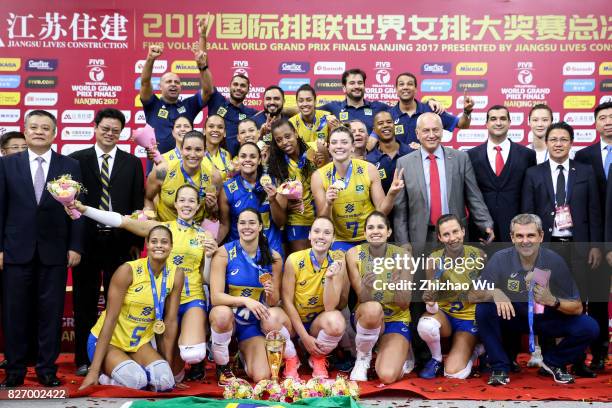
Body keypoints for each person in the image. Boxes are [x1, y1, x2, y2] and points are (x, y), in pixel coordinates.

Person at [71, 184, 217, 381]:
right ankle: (116, 368)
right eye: (182, 200)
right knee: (155, 376)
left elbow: (207, 278)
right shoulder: (161, 229)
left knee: (187, 360)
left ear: (199, 205)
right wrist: (84, 209)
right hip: (161, 301)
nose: (186, 204)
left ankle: (186, 358)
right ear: (174, 203)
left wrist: (209, 257)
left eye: (192, 200)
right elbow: (121, 221)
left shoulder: (205, 235)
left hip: (191, 299)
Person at [0, 110, 84, 387]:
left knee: (50, 313)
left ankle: (47, 369)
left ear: (54, 133)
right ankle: (14, 371)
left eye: (45, 128)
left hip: (55, 251)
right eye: (33, 127)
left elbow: (76, 211)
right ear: (24, 131)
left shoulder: (69, 165)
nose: (39, 131)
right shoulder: (7, 165)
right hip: (15, 251)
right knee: (15, 313)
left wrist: (75, 246)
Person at [475, 214, 599, 386]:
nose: (525, 241)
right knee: (483, 309)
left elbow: (577, 308)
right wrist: (494, 292)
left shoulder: (555, 260)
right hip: (513, 317)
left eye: (530, 235)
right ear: (512, 237)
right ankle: (499, 367)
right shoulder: (500, 258)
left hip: (546, 318)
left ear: (541, 236)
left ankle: (553, 362)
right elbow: (472, 294)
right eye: (519, 236)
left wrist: (553, 300)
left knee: (589, 326)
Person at [522, 122, 603, 377]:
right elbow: (527, 214)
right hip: (547, 248)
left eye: (564, 139)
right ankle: (549, 359)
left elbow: (594, 211)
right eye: (554, 139)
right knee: (544, 301)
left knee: (580, 303)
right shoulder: (534, 173)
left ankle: (577, 361)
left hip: (578, 247)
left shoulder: (586, 171)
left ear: (571, 143)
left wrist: (595, 246)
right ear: (546, 142)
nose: (558, 143)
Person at [69, 108, 145, 377]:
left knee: (121, 304)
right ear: (96, 127)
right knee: (84, 302)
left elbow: (138, 204)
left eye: (115, 130)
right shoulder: (76, 160)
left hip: (120, 244)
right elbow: (69, 206)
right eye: (106, 128)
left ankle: (115, 357)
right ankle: (83, 358)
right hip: (86, 243)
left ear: (121, 132)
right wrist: (73, 244)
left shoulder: (132, 163)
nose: (110, 133)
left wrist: (137, 241)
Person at [79, 225, 183, 391]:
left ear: (171, 246)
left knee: (164, 382)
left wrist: (168, 366)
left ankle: (129, 367)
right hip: (109, 342)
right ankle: (103, 375)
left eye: (164, 242)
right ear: (146, 245)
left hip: (138, 343)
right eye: (154, 241)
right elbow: (110, 319)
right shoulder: (128, 271)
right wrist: (94, 370)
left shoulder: (176, 274)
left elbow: (170, 322)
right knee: (136, 381)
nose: (159, 245)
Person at [394, 112, 494, 258]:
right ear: (417, 133)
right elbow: (400, 210)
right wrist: (403, 242)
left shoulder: (461, 158)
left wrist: (486, 224)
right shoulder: (404, 163)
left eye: (436, 130)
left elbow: (474, 197)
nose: (431, 135)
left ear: (442, 131)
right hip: (421, 237)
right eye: (426, 130)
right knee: (423, 279)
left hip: (454, 235)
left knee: (456, 279)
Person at [209, 209, 286, 384]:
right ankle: (222, 366)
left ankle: (242, 355)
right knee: (221, 315)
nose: (247, 227)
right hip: (228, 318)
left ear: (260, 226)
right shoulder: (224, 253)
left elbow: (274, 303)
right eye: (242, 223)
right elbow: (216, 297)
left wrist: (271, 291)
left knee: (262, 377)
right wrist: (245, 300)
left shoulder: (274, 257)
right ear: (237, 226)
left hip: (251, 325)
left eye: (252, 222)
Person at [311, 126, 404, 252]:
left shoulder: (369, 169)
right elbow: (323, 221)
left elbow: (381, 212)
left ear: (352, 147)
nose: (339, 146)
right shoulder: (318, 176)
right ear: (329, 147)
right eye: (334, 142)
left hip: (369, 236)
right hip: (339, 240)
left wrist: (392, 194)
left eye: (344, 142)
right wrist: (328, 204)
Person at [346, 211, 412, 384]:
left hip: (395, 318)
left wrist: (398, 287)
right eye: (371, 227)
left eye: (380, 227)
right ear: (365, 232)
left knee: (387, 376)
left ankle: (398, 352)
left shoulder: (403, 256)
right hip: (368, 317)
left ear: (389, 232)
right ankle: (363, 357)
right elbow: (362, 297)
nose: (375, 231)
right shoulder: (353, 254)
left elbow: (405, 305)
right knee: (373, 308)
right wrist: (367, 287)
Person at [417, 215, 485, 379]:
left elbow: (486, 294)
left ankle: (475, 350)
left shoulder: (479, 255)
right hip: (445, 316)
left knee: (455, 373)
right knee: (426, 325)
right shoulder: (434, 259)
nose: (452, 238)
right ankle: (436, 359)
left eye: (455, 231)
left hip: (468, 318)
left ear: (463, 231)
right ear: (439, 237)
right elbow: (431, 305)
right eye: (446, 234)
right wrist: (430, 302)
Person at [282, 216, 348, 379]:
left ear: (333, 238)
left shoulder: (338, 260)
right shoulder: (294, 259)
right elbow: (287, 301)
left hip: (317, 324)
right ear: (310, 235)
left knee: (337, 322)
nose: (321, 236)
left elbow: (330, 307)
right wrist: (304, 338)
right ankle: (291, 358)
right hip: (294, 320)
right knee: (271, 318)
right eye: (317, 231)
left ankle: (318, 357)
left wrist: (330, 277)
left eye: (327, 233)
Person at [574, 101, 612, 371]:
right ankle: (598, 353)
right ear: (596, 124)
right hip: (598, 239)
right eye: (603, 118)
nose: (608, 121)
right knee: (597, 298)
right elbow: (589, 206)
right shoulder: (584, 158)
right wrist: (600, 244)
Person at [468, 105, 536, 243]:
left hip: (517, 231)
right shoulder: (471, 156)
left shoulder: (527, 155)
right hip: (482, 231)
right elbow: (470, 194)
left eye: (503, 119)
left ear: (509, 123)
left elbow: (530, 194)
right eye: (493, 119)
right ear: (486, 124)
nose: (498, 123)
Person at [139, 37, 209, 170]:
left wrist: (202, 65)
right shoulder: (152, 104)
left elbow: (207, 91)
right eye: (169, 82)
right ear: (160, 86)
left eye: (177, 82)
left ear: (181, 87)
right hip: (158, 169)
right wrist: (150, 59)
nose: (173, 85)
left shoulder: (189, 105)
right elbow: (144, 83)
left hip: (186, 170)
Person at [218, 142, 286, 256]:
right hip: (240, 253)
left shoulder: (273, 182)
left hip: (270, 250)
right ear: (238, 160)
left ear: (259, 160)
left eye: (253, 156)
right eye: (243, 156)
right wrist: (213, 244)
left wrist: (273, 200)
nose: (248, 160)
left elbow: (281, 223)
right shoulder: (227, 189)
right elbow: (225, 225)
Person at [268, 120, 319, 254]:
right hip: (297, 222)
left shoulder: (313, 151)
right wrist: (286, 206)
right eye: (279, 140)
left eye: (287, 136)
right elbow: (279, 213)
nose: (284, 142)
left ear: (296, 133)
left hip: (320, 218)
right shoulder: (278, 167)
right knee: (302, 265)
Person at [144, 130, 218, 223]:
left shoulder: (213, 176)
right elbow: (148, 199)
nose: (192, 154)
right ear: (181, 149)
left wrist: (213, 209)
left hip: (196, 233)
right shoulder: (162, 171)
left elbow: (215, 216)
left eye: (198, 150)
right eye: (188, 149)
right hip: (165, 232)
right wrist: (153, 222)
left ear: (205, 151)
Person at [383, 72, 472, 148]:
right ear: (396, 90)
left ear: (416, 89)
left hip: (428, 165)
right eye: (401, 84)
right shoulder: (388, 116)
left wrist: (467, 111)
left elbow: (462, 124)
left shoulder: (431, 109)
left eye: (410, 84)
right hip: (399, 166)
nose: (405, 87)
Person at [318, 68, 390, 135]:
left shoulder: (378, 107)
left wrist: (375, 136)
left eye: (360, 83)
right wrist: (326, 122)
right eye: (352, 83)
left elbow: (399, 114)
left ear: (364, 86)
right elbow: (310, 113)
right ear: (344, 88)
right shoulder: (333, 107)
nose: (357, 86)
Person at [366, 112, 413, 194]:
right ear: (374, 130)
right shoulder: (369, 160)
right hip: (381, 206)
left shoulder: (410, 153)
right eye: (380, 123)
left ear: (394, 125)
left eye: (389, 122)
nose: (385, 125)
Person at [202, 115, 233, 182]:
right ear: (204, 131)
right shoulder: (197, 154)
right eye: (211, 126)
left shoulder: (227, 155)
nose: (215, 130)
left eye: (220, 127)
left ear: (224, 133)